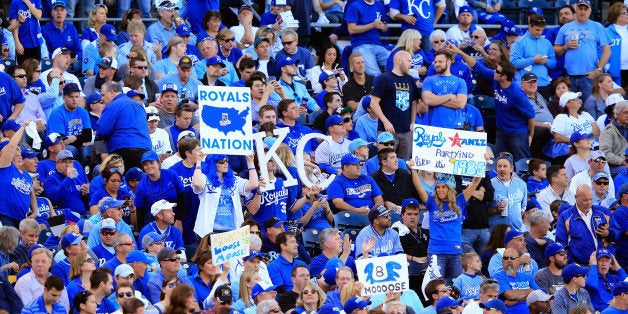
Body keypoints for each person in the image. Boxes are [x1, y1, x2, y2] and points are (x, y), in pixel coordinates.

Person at [554, 0, 610, 103]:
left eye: (586, 9)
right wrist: (566, 46)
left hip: (589, 75)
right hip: (569, 76)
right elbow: (555, 51)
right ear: (575, 10)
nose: (582, 12)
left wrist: (598, 70)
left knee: (589, 108)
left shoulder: (597, 26)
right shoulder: (565, 28)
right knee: (570, 107)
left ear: (590, 11)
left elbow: (607, 51)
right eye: (580, 8)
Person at [368, 50, 419, 160]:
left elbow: (414, 101)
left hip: (406, 131)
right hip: (387, 131)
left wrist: (413, 122)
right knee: (386, 162)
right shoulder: (384, 78)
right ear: (399, 61)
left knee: (404, 165)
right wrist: (386, 122)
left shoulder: (410, 79)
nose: (411, 64)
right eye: (409, 61)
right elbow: (374, 102)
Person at [556, 184, 619, 265]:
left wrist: (608, 233)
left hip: (606, 263)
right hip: (582, 265)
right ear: (576, 197)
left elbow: (617, 232)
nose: (588, 203)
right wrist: (573, 264)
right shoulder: (565, 217)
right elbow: (561, 244)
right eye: (585, 200)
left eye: (591, 199)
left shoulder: (604, 212)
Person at [97, 81, 151, 170]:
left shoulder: (113, 105)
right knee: (138, 181)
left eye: (103, 95)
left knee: (124, 182)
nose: (102, 99)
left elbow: (102, 130)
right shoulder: (139, 105)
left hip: (123, 150)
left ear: (111, 93)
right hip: (145, 150)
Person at [509, 14, 556, 94]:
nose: (540, 32)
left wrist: (545, 61)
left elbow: (553, 63)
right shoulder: (519, 42)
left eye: (542, 30)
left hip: (544, 84)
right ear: (530, 26)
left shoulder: (546, 43)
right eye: (537, 30)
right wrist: (533, 60)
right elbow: (513, 63)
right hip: (526, 86)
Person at [493, 247, 539, 313]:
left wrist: (518, 300)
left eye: (512, 258)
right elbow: (510, 295)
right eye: (506, 258)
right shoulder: (498, 277)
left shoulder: (527, 277)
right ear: (502, 261)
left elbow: (539, 294)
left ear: (518, 260)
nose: (509, 260)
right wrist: (530, 291)